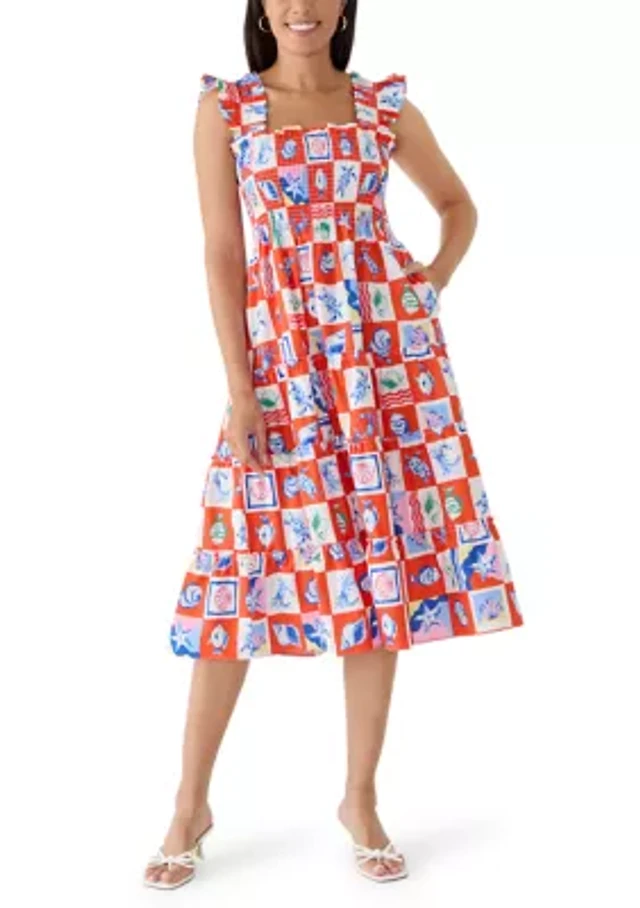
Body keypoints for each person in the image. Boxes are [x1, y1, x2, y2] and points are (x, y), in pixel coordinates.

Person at [144, 0, 524, 890]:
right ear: (261, 5)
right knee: (237, 574)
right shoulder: (228, 110)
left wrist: (424, 286)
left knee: (376, 568)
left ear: (346, 4)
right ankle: (189, 805)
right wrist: (242, 388)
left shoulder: (383, 107)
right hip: (281, 372)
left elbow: (459, 206)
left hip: (386, 370)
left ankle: (360, 797)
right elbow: (223, 251)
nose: (301, 7)